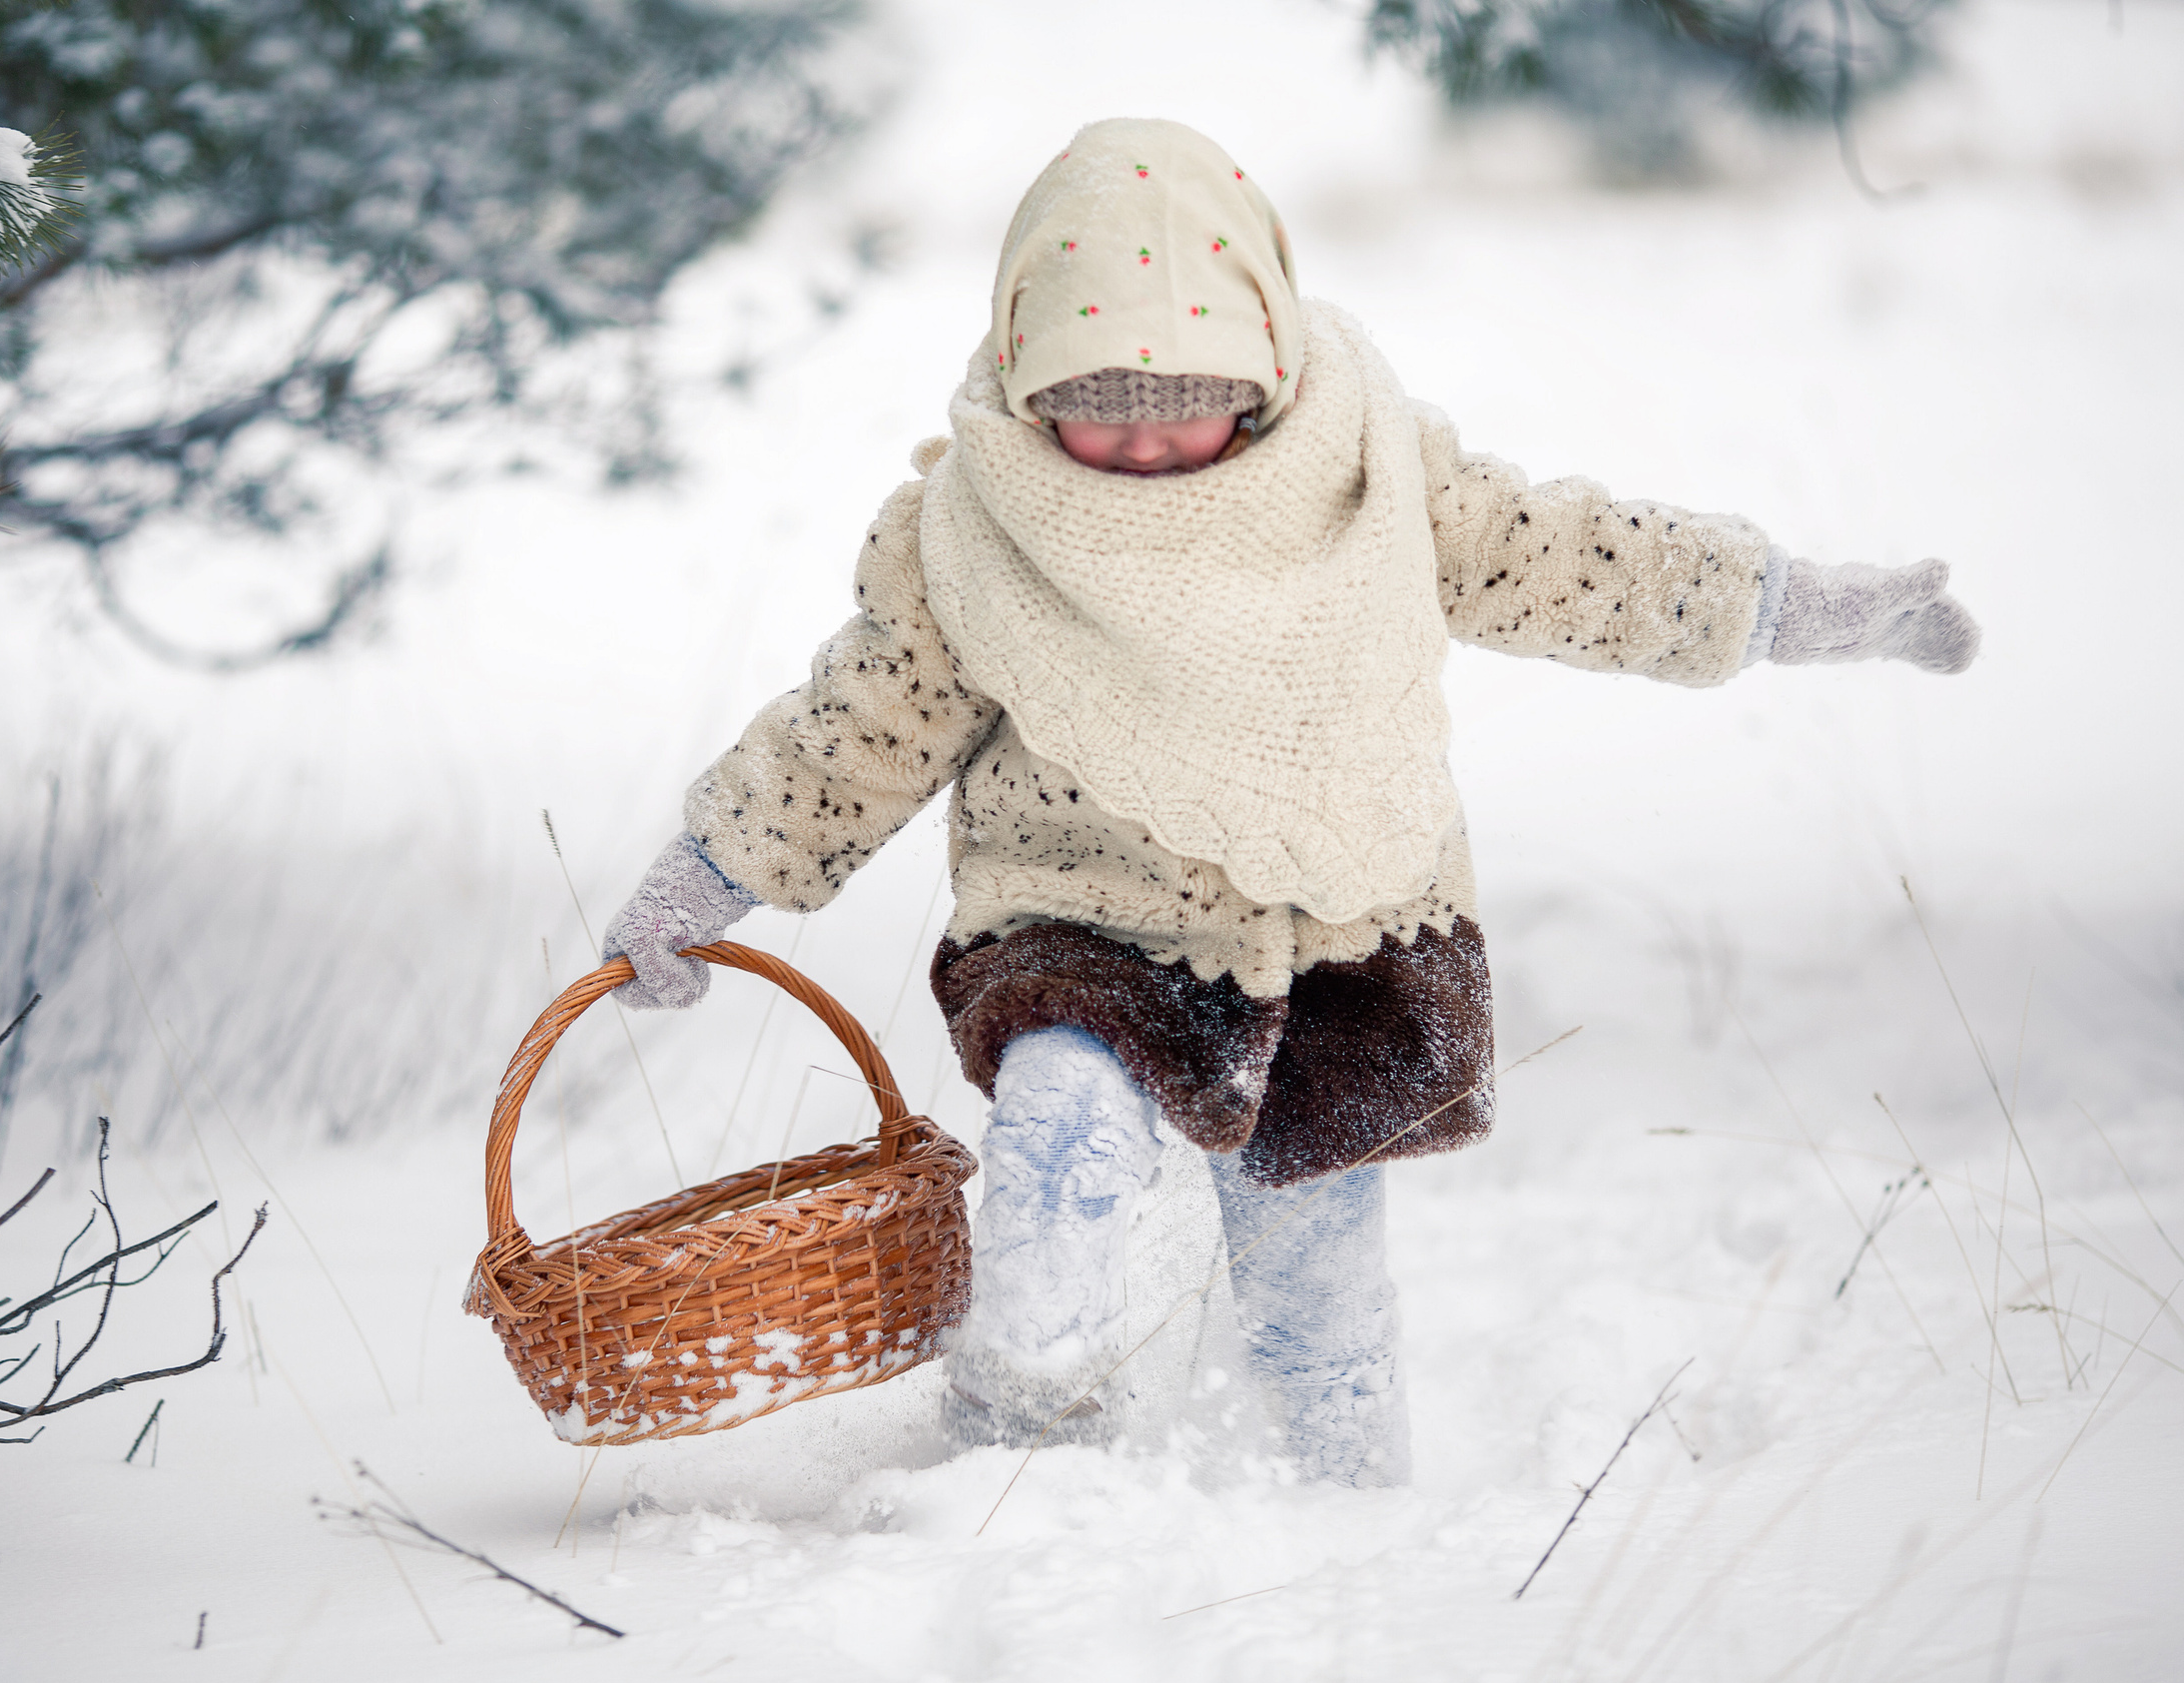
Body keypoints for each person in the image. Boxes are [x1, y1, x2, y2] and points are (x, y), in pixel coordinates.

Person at [597, 117, 1978, 1487]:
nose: (1140, 449)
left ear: (1261, 368)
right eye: (1094, 410)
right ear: (1022, 376)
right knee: (1057, 1129)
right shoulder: (970, 535)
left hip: (1332, 925)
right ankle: (1016, 1447)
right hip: (1077, 927)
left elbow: (1568, 559)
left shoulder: (1370, 474)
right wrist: (710, 872)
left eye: (1180, 407)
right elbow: (861, 726)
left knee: (1313, 1268)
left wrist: (1788, 604)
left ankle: (1340, 1497)